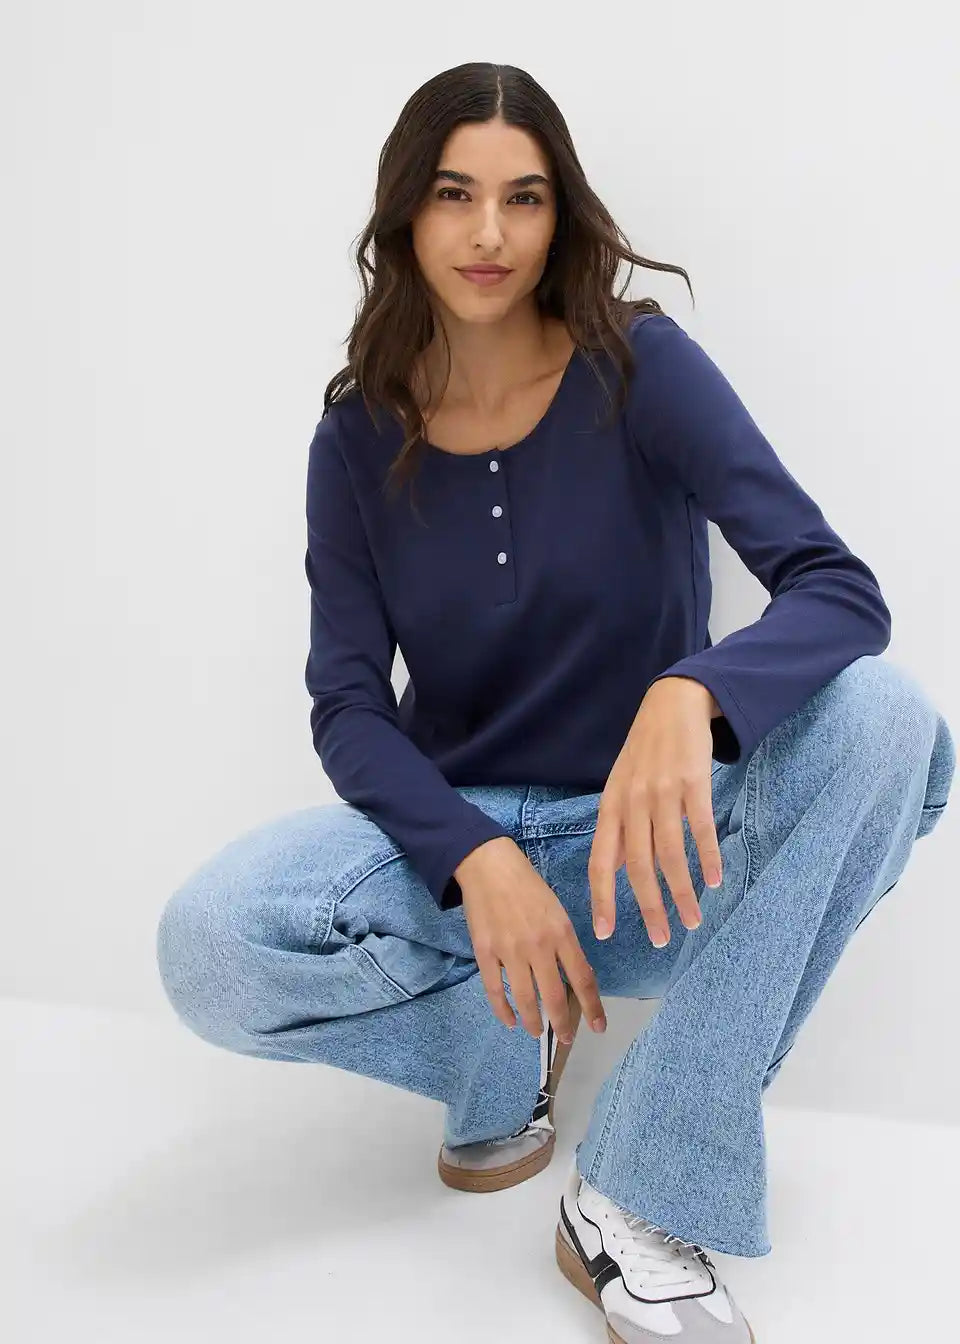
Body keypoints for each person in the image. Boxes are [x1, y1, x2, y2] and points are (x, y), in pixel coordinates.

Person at [156, 61, 955, 1343]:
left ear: (558, 212)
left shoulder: (640, 368)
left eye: (522, 198)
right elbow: (348, 705)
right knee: (210, 942)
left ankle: (641, 1186)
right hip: (464, 880)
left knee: (890, 723)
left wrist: (694, 694)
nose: (488, 233)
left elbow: (836, 589)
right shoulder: (355, 440)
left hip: (654, 859)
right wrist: (472, 860)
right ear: (404, 213)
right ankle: (501, 1048)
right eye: (453, 194)